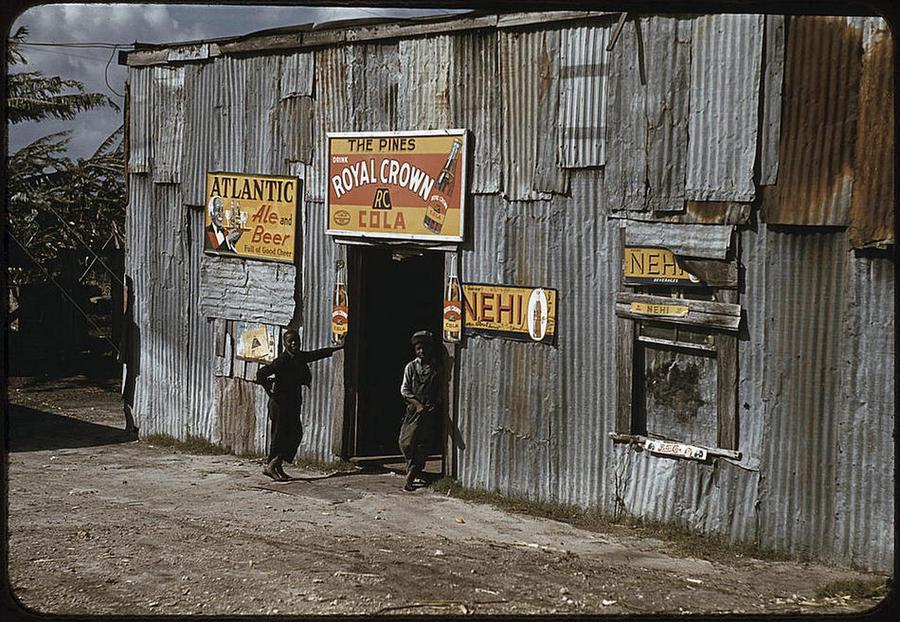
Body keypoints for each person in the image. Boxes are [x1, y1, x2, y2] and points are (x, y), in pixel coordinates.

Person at [256, 329, 342, 481]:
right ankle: (271, 466)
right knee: (282, 435)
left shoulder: (299, 357)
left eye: (296, 340)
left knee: (292, 434)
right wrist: (270, 391)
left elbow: (318, 354)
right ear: (285, 343)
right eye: (291, 341)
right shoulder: (282, 361)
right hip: (280, 404)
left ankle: (276, 467)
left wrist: (339, 347)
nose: (294, 343)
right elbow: (261, 374)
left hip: (292, 403)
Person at [398, 330, 442, 492]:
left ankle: (410, 476)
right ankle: (412, 468)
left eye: (424, 348)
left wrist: (435, 404)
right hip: (413, 410)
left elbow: (441, 389)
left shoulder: (436, 368)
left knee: (422, 444)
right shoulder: (411, 367)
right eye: (418, 348)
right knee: (406, 442)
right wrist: (416, 404)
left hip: (428, 411)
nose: (422, 351)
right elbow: (405, 390)